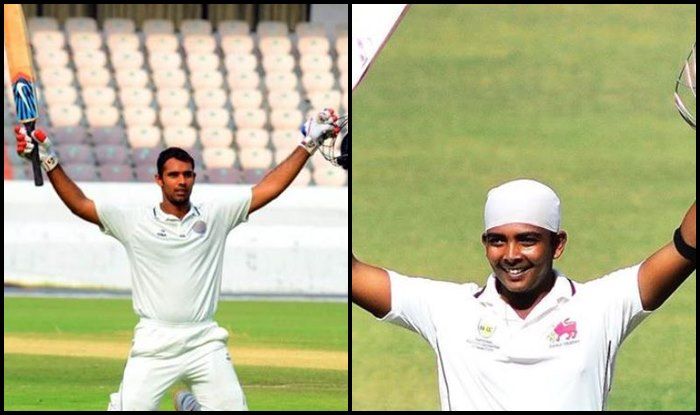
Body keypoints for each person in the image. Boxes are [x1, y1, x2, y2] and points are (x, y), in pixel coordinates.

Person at [14, 108, 343, 411]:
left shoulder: (214, 216)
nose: (181, 181)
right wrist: (49, 160)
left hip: (204, 341)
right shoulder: (134, 221)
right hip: (154, 343)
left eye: (187, 174)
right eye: (173, 175)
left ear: (194, 178)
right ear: (159, 180)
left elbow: (267, 189)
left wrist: (309, 144)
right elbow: (80, 205)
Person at [352, 178, 695, 410]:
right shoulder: (448, 309)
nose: (511, 255)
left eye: (527, 240)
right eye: (497, 240)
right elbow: (351, 274)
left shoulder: (600, 306)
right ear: (485, 245)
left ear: (557, 244)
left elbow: (687, 247)